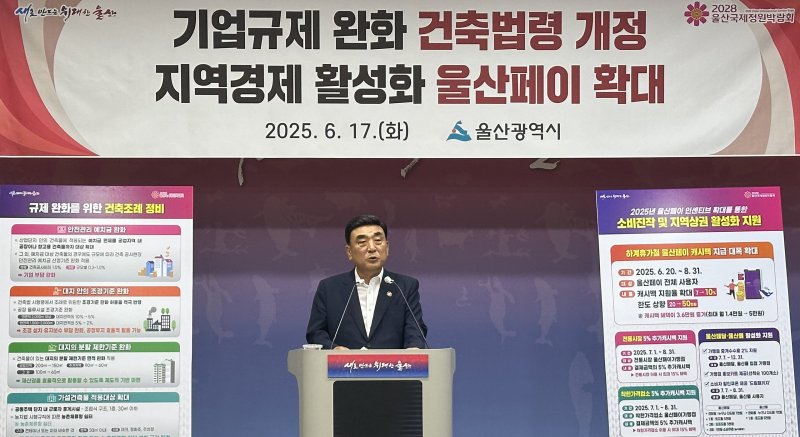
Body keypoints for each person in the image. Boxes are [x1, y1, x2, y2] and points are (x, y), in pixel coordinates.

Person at [306, 214, 427, 349]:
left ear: (387, 247)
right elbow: (316, 333)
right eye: (362, 242)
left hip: (393, 363)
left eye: (378, 240)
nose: (372, 248)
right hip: (344, 363)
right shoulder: (329, 288)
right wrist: (333, 349)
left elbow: (415, 330)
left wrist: (413, 349)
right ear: (349, 252)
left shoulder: (404, 286)